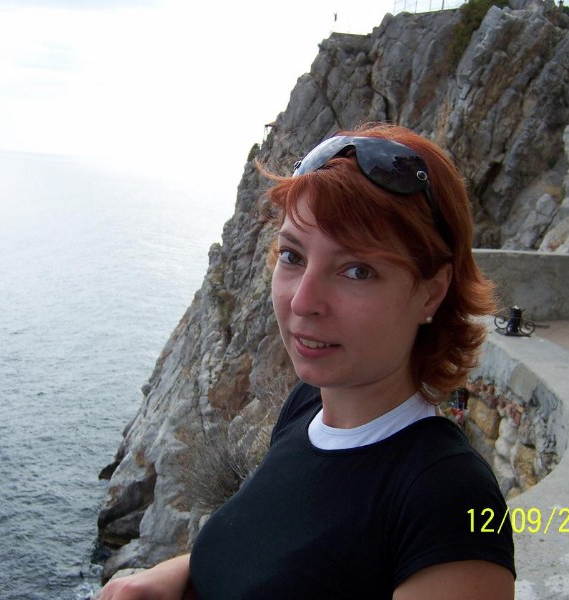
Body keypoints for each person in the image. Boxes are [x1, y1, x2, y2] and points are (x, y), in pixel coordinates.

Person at [99, 124, 515, 599]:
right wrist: (177, 574)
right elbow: (277, 554)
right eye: (292, 256)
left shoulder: (449, 499)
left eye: (357, 270)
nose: (302, 301)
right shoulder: (306, 407)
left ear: (431, 293)